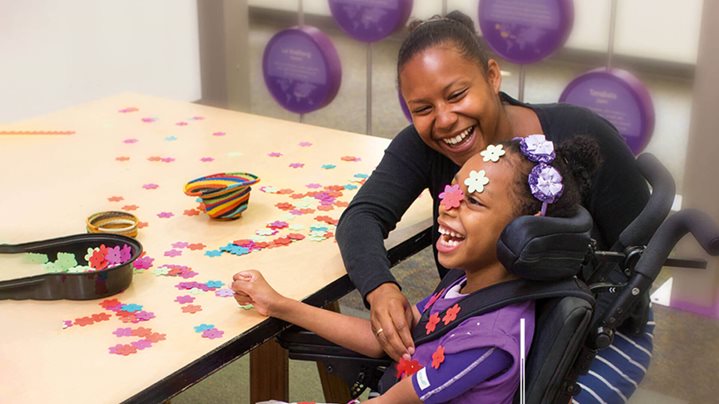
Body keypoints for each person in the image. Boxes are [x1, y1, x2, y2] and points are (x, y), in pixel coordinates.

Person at [335, 11, 653, 404]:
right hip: (485, 321)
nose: (445, 120)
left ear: (492, 75)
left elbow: (641, 253)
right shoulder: (423, 145)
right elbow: (361, 216)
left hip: (590, 324)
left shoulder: (579, 134)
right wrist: (379, 289)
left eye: (456, 95)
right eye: (422, 108)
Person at [233, 135, 597, 403]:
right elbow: (386, 339)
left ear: (526, 228)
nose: (447, 205)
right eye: (452, 190)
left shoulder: (492, 338)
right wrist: (279, 304)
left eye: (472, 200)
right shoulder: (466, 286)